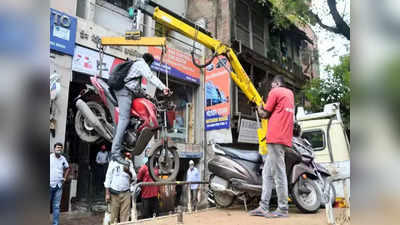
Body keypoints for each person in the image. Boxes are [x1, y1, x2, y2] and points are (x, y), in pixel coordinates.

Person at [111, 53, 171, 166]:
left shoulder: (136, 66)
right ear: (148, 62)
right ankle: (115, 152)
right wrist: (163, 88)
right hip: (124, 92)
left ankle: (126, 139)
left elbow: (137, 88)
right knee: (124, 119)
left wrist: (149, 97)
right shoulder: (141, 64)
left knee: (133, 117)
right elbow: (150, 77)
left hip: (129, 92)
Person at [249, 75, 294, 218]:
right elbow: (276, 111)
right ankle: (263, 206)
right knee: (267, 174)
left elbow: (264, 114)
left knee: (279, 174)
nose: (271, 88)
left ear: (276, 83)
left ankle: (283, 209)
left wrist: (258, 106)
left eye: (272, 85)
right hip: (284, 137)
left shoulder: (275, 92)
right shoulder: (290, 94)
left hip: (275, 138)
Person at [104, 149, 136, 223]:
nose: (122, 154)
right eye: (120, 153)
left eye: (123, 153)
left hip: (126, 194)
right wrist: (107, 193)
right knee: (113, 217)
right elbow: (108, 178)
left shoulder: (129, 162)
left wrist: (129, 172)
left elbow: (134, 178)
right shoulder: (113, 162)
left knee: (125, 218)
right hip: (114, 194)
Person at [50, 142, 70, 225]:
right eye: (57, 147)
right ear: (54, 149)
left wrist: (64, 178)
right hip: (49, 184)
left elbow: (68, 168)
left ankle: (55, 223)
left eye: (60, 148)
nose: (59, 149)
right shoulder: (50, 157)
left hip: (58, 185)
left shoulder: (63, 159)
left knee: (56, 206)